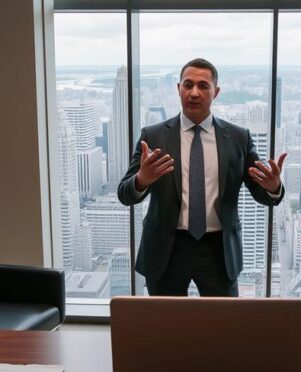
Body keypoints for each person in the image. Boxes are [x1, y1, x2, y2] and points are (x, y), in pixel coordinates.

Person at [117, 58, 286, 296]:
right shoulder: (153, 136)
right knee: (165, 328)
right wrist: (142, 179)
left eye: (203, 86)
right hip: (167, 247)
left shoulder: (239, 138)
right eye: (188, 85)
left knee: (221, 327)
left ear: (215, 92)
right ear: (178, 89)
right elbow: (125, 194)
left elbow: (264, 195)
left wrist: (273, 187)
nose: (194, 92)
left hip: (219, 250)